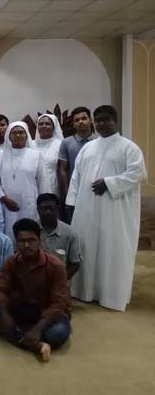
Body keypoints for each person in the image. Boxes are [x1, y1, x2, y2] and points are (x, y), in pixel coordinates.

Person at [66, 105, 146, 311]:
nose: (101, 124)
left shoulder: (129, 147)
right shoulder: (88, 148)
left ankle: (111, 296)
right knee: (87, 248)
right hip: (86, 210)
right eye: (98, 120)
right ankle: (85, 291)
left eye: (105, 119)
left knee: (112, 250)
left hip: (115, 212)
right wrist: (71, 203)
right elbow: (76, 176)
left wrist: (109, 183)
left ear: (115, 120)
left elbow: (138, 173)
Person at [0, 219, 71, 363]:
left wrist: (38, 329)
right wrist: (5, 316)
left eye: (31, 240)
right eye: (22, 241)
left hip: (47, 314)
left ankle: (19, 334)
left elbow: (59, 303)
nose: (26, 245)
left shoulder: (56, 266)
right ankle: (37, 345)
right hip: (21, 310)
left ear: (39, 241)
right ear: (16, 242)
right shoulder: (11, 262)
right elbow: (0, 292)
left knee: (57, 334)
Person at [0, 121, 46, 240]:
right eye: (14, 133)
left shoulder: (36, 155)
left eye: (21, 132)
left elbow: (42, 181)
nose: (18, 135)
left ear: (26, 135)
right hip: (6, 204)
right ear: (9, 136)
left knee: (28, 234)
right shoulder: (0, 155)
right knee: (8, 235)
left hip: (29, 203)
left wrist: (43, 204)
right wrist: (4, 198)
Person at [58, 107, 97, 221]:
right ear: (73, 124)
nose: (81, 122)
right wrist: (66, 193)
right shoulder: (66, 142)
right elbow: (63, 169)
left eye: (84, 118)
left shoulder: (99, 141)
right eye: (77, 120)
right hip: (74, 191)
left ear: (90, 120)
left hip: (95, 191)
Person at [36, 194, 82, 280]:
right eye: (44, 208)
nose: (48, 212)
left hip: (60, 283)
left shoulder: (69, 233)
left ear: (57, 209)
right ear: (38, 210)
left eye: (51, 208)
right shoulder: (30, 230)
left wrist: (59, 281)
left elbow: (75, 263)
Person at [34, 114, 63, 196]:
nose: (44, 126)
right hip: (34, 186)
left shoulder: (60, 144)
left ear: (54, 127)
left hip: (53, 185)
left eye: (47, 124)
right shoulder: (30, 145)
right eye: (41, 124)